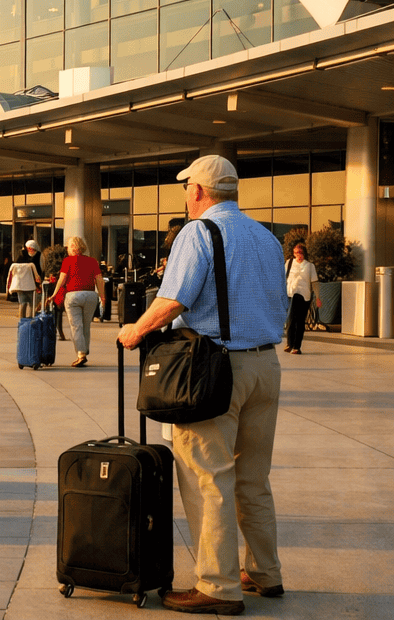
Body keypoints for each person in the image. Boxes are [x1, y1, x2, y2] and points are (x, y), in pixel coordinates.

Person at [119, 154, 288, 615]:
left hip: (215, 370)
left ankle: (217, 585)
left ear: (198, 191)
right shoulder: (266, 238)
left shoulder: (199, 232)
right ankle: (264, 571)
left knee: (207, 477)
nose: (185, 195)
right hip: (264, 367)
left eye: (186, 188)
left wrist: (134, 330)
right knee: (253, 478)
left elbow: (174, 299)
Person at [48, 236, 105, 367]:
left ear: (73, 248)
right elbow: (99, 280)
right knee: (86, 325)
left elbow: (62, 279)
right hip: (91, 295)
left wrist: (54, 294)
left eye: (68, 246)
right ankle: (85, 348)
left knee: (76, 326)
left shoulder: (68, 261)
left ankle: (81, 353)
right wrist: (102, 297)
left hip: (73, 295)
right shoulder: (92, 261)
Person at [284, 241, 316, 355]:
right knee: (290, 319)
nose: (298, 254)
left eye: (300, 252)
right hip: (290, 294)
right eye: (296, 252)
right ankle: (290, 344)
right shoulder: (289, 263)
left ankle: (297, 347)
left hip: (303, 296)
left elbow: (314, 282)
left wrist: (318, 298)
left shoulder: (309, 266)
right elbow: (284, 278)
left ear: (304, 253)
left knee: (299, 321)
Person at [7, 245, 42, 319]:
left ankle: (21, 320)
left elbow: (9, 278)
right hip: (30, 287)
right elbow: (37, 277)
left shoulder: (14, 265)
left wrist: (8, 288)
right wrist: (39, 286)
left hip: (19, 287)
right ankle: (30, 319)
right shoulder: (31, 265)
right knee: (31, 304)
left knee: (22, 303)